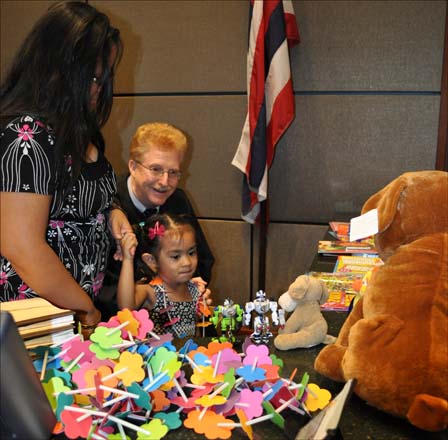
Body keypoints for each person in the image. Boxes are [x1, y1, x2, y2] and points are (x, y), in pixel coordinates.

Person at [0, 1, 132, 334]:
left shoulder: (75, 129)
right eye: (93, 77)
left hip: (68, 319)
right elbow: (21, 247)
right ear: (60, 69)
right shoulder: (26, 135)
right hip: (30, 326)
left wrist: (111, 212)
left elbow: (84, 195)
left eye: (103, 79)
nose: (98, 90)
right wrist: (84, 309)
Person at [102, 122, 215, 317]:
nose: (164, 182)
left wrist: (193, 291)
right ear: (133, 166)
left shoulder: (178, 201)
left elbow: (203, 261)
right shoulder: (108, 204)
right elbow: (102, 282)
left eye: (173, 172)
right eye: (155, 169)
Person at [117, 213, 207, 338]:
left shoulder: (194, 289)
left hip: (189, 356)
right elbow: (126, 308)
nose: (187, 262)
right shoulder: (152, 291)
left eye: (191, 252)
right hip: (158, 357)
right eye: (176, 256)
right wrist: (128, 259)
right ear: (151, 261)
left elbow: (196, 331)